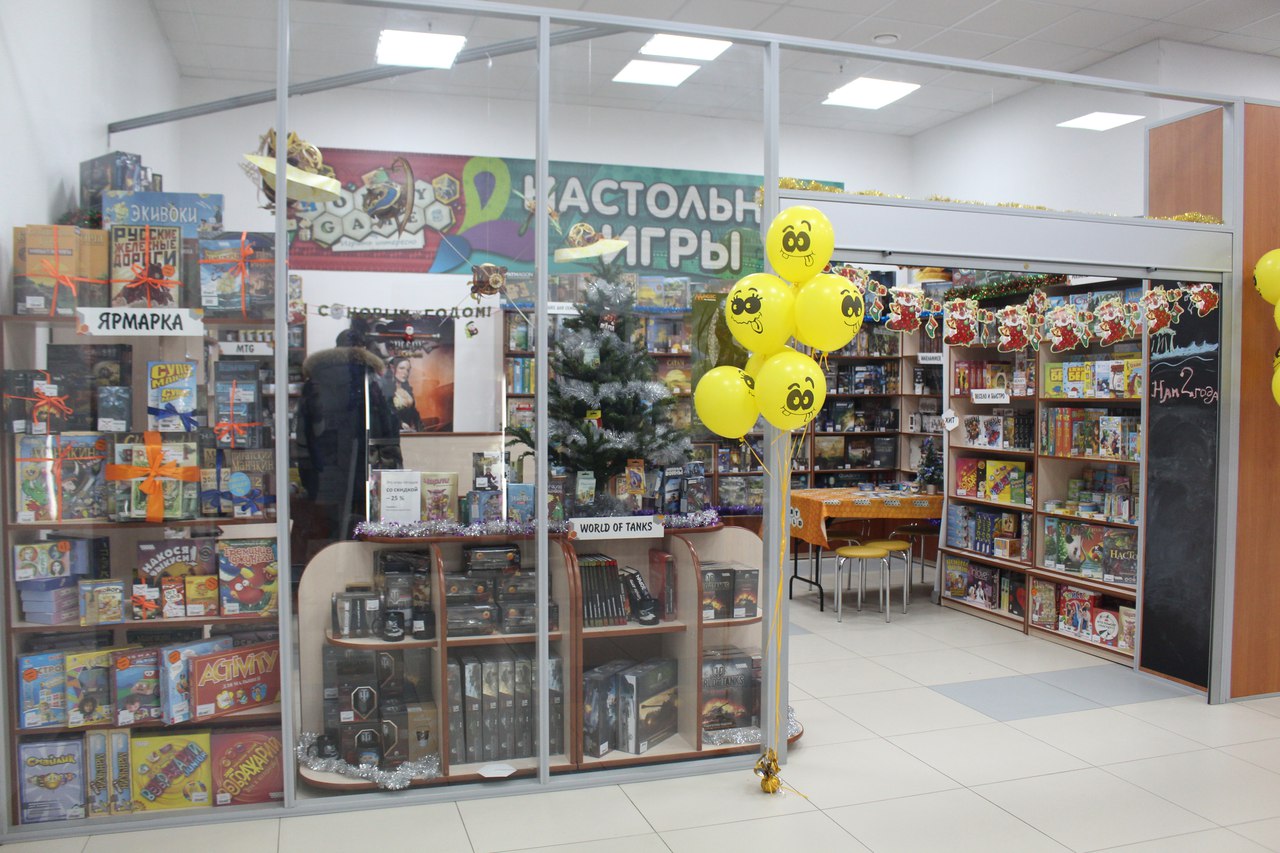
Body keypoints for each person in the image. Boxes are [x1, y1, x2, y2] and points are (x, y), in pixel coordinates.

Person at [294, 324, 401, 554]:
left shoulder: (315, 380)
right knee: (365, 529)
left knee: (330, 530)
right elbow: (388, 431)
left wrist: (308, 475)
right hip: (366, 467)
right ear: (363, 349)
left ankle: (330, 569)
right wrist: (393, 470)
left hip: (324, 470)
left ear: (337, 347)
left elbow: (303, 431)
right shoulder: (373, 380)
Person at [384, 356, 424, 432]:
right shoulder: (386, 389)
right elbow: (386, 411)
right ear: (392, 368)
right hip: (393, 432)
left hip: (409, 432)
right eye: (401, 368)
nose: (405, 373)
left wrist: (419, 428)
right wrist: (400, 423)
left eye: (407, 370)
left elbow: (413, 411)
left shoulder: (407, 390)